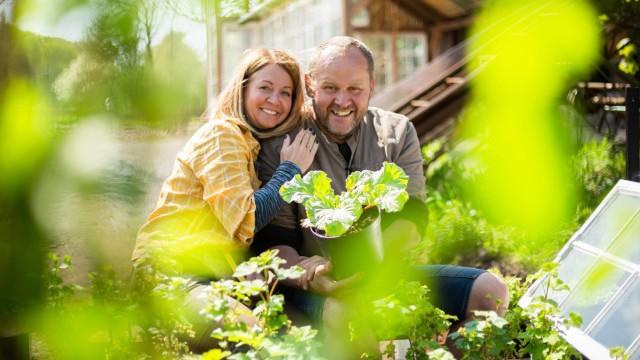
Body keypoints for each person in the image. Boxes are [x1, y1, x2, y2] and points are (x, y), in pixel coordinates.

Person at [252, 37, 509, 357]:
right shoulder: (283, 146)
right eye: (330, 87)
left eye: (355, 89)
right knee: (348, 316)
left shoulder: (398, 132)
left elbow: (413, 218)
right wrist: (311, 274)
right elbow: (275, 243)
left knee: (490, 293)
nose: (342, 101)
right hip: (317, 288)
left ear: (372, 85)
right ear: (309, 84)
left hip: (384, 271)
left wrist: (370, 264)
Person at [130, 48, 318, 351]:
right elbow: (249, 217)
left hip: (212, 275)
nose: (275, 100)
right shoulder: (222, 135)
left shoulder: (250, 144)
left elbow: (226, 228)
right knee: (258, 342)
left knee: (296, 337)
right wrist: (289, 170)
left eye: (286, 93)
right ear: (242, 89)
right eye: (265, 88)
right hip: (173, 273)